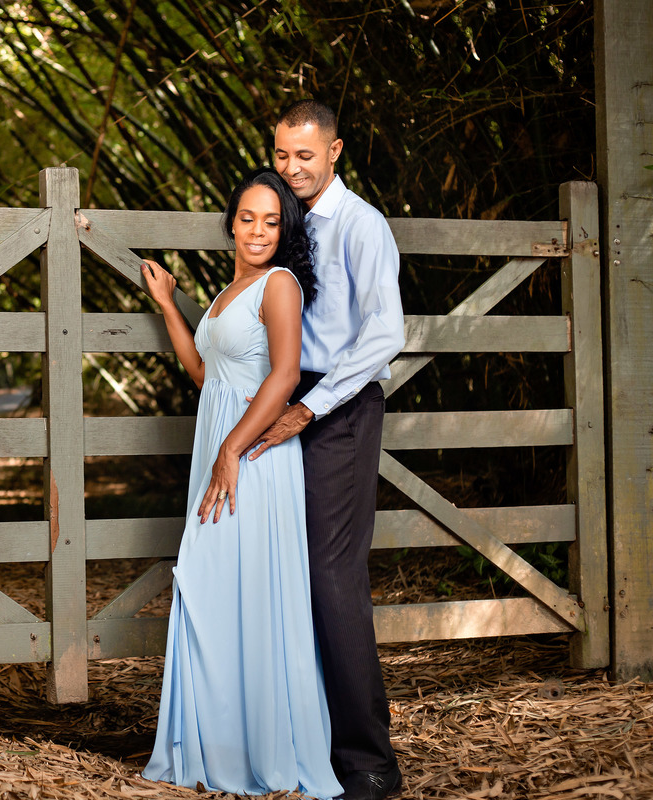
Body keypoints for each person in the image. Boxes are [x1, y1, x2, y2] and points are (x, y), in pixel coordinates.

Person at [140, 167, 344, 800]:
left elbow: (283, 377)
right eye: (248, 217)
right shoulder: (233, 287)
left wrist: (232, 450)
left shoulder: (280, 285)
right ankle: (213, 746)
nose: (258, 230)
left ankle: (262, 752)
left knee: (245, 589)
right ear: (231, 221)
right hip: (223, 447)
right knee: (212, 586)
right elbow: (208, 375)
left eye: (272, 221)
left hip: (254, 457)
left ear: (284, 231)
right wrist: (170, 306)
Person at [245, 100, 406, 800]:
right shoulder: (279, 219)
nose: (291, 168)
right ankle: (296, 742)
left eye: (305, 155)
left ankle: (370, 760)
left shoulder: (363, 225)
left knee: (330, 573)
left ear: (335, 151)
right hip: (282, 393)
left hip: (336, 404)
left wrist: (309, 406)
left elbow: (384, 335)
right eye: (282, 155)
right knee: (279, 563)